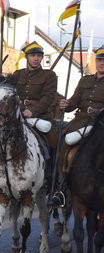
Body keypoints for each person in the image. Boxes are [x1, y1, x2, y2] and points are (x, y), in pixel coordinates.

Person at [50, 46, 104, 207]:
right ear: (96, 61)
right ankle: (60, 189)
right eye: (100, 60)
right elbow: (75, 101)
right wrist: (66, 104)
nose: (102, 63)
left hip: (99, 124)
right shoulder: (85, 80)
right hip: (80, 120)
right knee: (63, 142)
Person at [11, 41, 59, 149]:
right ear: (26, 57)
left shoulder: (49, 75)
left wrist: (32, 111)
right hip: (18, 113)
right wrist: (21, 109)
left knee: (53, 141)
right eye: (32, 55)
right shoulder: (18, 74)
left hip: (41, 115)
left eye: (39, 56)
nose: (36, 58)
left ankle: (51, 165)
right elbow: (11, 94)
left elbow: (48, 97)